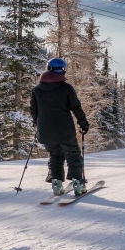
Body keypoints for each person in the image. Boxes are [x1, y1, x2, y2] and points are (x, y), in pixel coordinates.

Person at [30, 58, 90, 196]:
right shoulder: (66, 88)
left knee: (55, 155)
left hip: (45, 131)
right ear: (62, 70)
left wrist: (37, 123)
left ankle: (56, 183)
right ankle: (78, 184)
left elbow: (34, 110)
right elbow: (76, 107)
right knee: (73, 155)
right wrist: (83, 123)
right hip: (64, 131)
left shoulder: (37, 90)